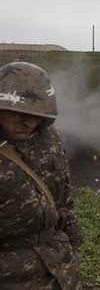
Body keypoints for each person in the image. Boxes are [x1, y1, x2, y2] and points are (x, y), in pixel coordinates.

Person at [0, 62, 81, 288]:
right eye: (21, 112)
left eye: (37, 115)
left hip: (59, 272)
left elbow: (64, 196)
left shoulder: (49, 139)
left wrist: (71, 243)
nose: (30, 122)